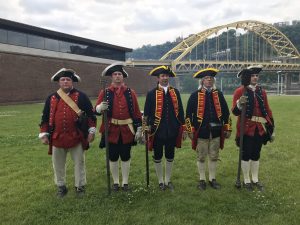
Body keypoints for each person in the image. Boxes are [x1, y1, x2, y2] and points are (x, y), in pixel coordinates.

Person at [39, 68, 97, 198]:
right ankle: (61, 186)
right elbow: (45, 117)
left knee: (79, 163)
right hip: (57, 137)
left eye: (68, 79)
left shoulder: (81, 96)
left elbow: (91, 116)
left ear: (72, 82)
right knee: (58, 165)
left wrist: (91, 131)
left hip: (76, 136)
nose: (65, 81)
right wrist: (44, 134)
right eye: (63, 79)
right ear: (59, 82)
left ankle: (80, 186)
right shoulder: (52, 98)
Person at [95, 63, 142, 192]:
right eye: (115, 74)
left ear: (123, 77)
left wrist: (139, 128)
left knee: (126, 155)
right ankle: (116, 182)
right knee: (113, 156)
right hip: (111, 129)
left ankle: (125, 182)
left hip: (127, 129)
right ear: (112, 77)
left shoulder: (130, 92)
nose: (117, 77)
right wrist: (100, 108)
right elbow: (96, 110)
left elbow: (137, 112)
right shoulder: (105, 92)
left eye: (119, 74)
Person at [185, 68, 232, 190]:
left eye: (211, 78)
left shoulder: (219, 94)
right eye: (206, 78)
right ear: (202, 81)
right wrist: (190, 129)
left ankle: (212, 179)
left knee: (214, 156)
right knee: (201, 156)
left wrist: (227, 127)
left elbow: (226, 113)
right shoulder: (195, 95)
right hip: (201, 131)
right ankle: (202, 179)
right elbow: (188, 114)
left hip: (216, 131)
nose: (209, 80)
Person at [232, 65, 275, 191]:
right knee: (246, 155)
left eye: (256, 75)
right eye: (252, 75)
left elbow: (267, 110)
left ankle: (255, 179)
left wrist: (272, 127)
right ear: (247, 77)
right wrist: (240, 103)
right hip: (246, 129)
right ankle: (246, 180)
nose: (255, 78)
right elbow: (235, 112)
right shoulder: (240, 91)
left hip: (259, 128)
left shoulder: (262, 92)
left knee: (256, 154)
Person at [143, 65, 185, 191]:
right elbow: (146, 113)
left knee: (170, 155)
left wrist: (183, 128)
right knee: (158, 156)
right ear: (158, 78)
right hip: (157, 130)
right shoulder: (151, 94)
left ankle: (168, 180)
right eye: (162, 76)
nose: (165, 78)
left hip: (172, 129)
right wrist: (146, 128)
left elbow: (181, 111)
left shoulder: (175, 92)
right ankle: (160, 181)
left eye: (167, 76)